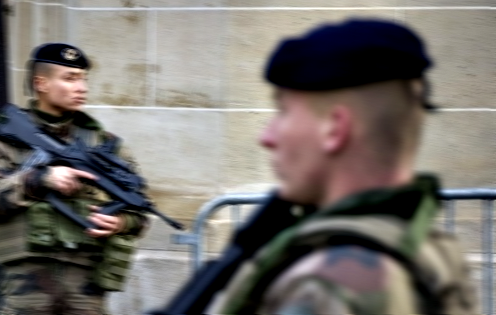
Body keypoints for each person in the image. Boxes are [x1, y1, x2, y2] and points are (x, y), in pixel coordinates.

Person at [190, 19, 477, 314]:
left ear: (334, 129)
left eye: (283, 111)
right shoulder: (430, 246)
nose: (266, 136)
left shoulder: (326, 285)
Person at [0, 43, 150, 314]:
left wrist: (120, 222)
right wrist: (38, 180)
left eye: (83, 79)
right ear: (41, 83)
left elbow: (141, 211)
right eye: (70, 78)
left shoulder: (105, 146)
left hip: (86, 287)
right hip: (26, 286)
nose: (82, 87)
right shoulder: (4, 142)